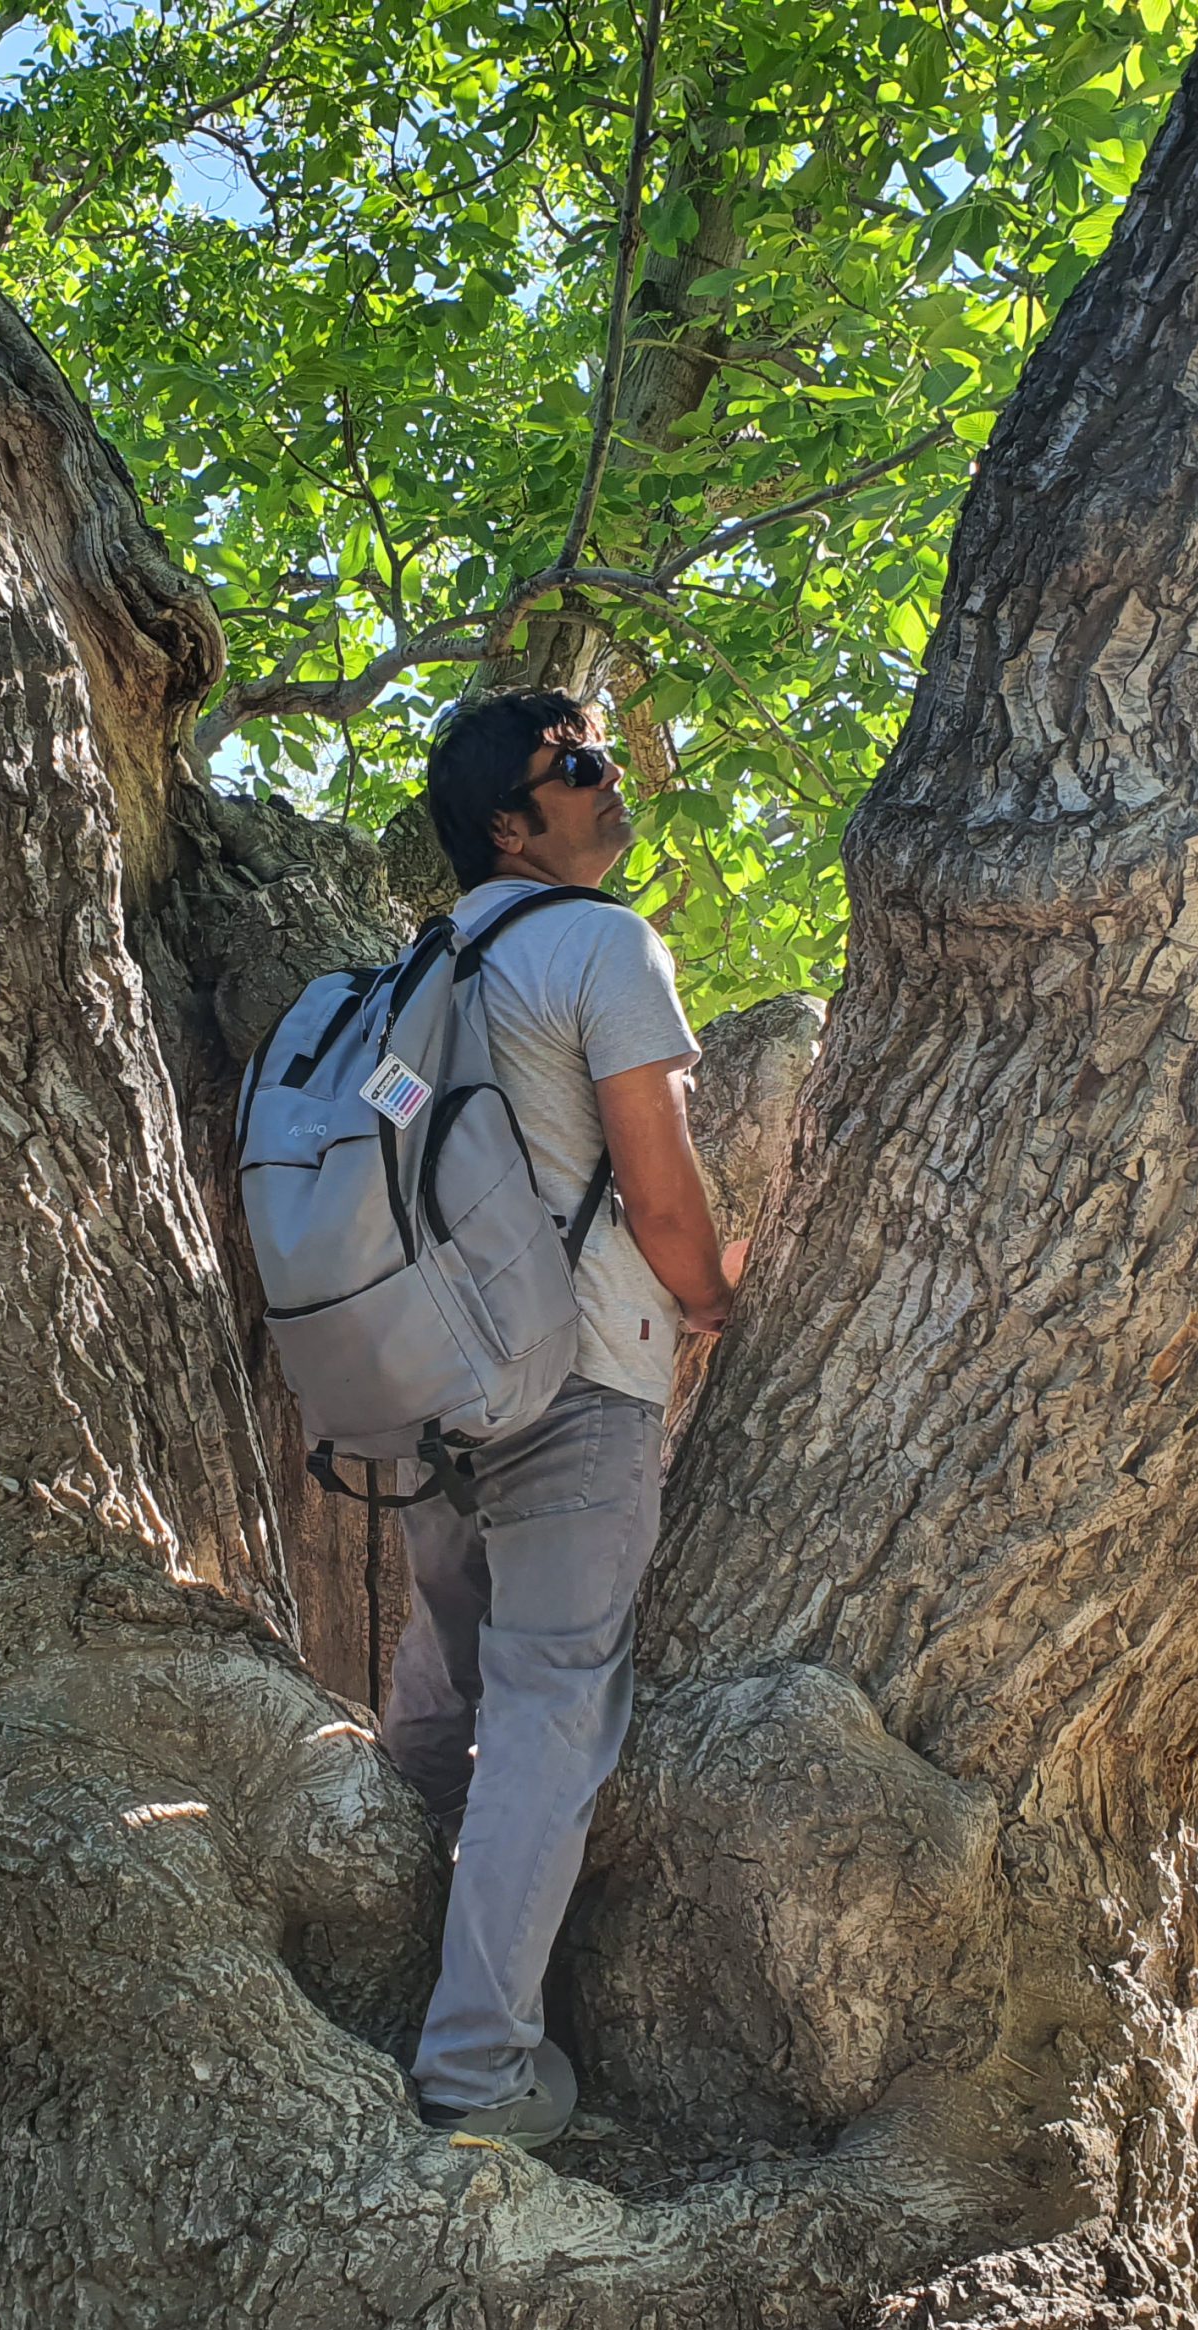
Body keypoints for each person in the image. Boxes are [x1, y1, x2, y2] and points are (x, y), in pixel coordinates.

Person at [387, 687, 746, 2147]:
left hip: (429, 1385)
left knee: (441, 1690)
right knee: (549, 1711)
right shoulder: (602, 943)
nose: (608, 780)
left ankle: (375, 1963)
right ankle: (475, 2070)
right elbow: (659, 1191)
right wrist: (714, 1298)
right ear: (509, 824)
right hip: (580, 1375)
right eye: (575, 765)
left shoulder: (419, 967)